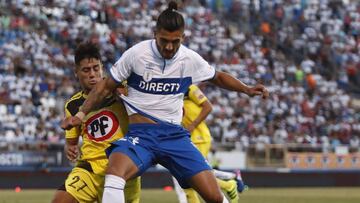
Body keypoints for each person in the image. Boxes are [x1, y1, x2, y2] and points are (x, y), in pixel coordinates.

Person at [61, 2, 268, 203]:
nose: (169, 47)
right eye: (164, 40)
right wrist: (80, 115)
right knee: (114, 172)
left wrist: (246, 89)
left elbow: (217, 76)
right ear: (155, 34)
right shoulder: (136, 55)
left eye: (175, 41)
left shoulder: (189, 59)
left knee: (214, 196)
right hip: (140, 137)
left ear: (183, 38)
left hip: (174, 138)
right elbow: (105, 86)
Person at [53, 42, 141, 203]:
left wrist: (125, 99)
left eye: (96, 68)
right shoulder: (73, 105)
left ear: (102, 67)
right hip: (90, 168)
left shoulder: (122, 90)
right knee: (60, 200)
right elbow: (71, 142)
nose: (92, 74)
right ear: (76, 73)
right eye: (86, 70)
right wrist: (71, 148)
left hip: (122, 166)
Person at [172, 84, 246, 203]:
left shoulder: (189, 89)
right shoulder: (170, 90)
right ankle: (230, 180)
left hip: (199, 138)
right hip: (186, 138)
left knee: (192, 176)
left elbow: (208, 107)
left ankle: (229, 184)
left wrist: (193, 124)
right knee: (189, 178)